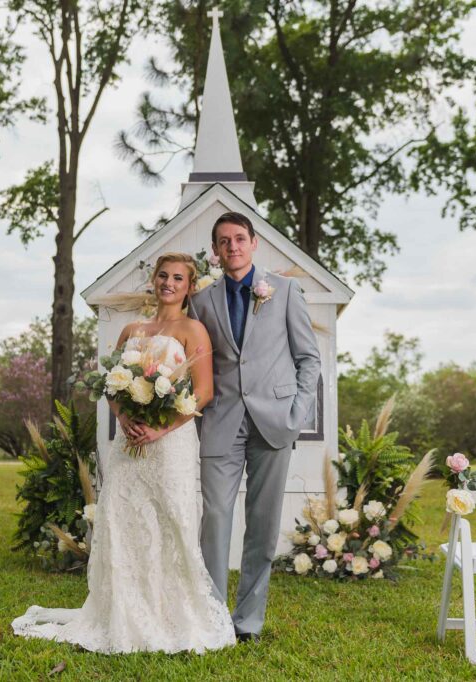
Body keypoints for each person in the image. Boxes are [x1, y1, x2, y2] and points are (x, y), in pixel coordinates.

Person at [12, 252, 235, 654]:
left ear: (188, 287)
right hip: (128, 441)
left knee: (172, 520)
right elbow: (111, 384)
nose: (168, 283)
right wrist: (124, 418)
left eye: (178, 278)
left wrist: (159, 428)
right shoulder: (133, 329)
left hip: (171, 444)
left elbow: (204, 392)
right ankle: (121, 611)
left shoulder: (194, 330)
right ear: (154, 280)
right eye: (163, 275)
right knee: (124, 519)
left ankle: (173, 615)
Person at [188, 211, 321, 642]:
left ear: (254, 243)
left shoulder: (284, 290)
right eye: (224, 241)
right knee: (215, 519)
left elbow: (308, 359)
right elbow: (197, 364)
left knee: (262, 527)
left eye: (240, 239)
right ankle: (211, 620)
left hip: (274, 423)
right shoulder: (202, 301)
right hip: (221, 423)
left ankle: (247, 623)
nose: (233, 247)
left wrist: (297, 413)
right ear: (215, 250)